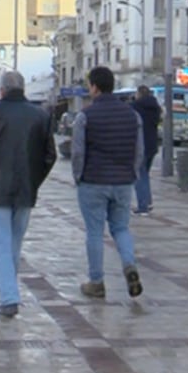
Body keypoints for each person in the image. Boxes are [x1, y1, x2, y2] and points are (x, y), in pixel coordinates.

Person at [0, 71, 56, 318]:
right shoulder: (40, 114)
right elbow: (50, 155)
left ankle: (8, 297)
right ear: (23, 88)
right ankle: (9, 290)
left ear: (2, 89)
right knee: (14, 242)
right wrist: (34, 179)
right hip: (26, 189)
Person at [72, 67, 144, 299]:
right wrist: (132, 173)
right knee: (121, 228)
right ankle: (129, 264)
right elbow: (139, 151)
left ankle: (96, 281)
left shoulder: (85, 116)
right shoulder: (133, 115)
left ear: (94, 87)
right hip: (123, 182)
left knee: (94, 232)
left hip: (93, 181)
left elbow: (78, 153)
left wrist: (78, 176)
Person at [130, 85, 162, 216]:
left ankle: (143, 206)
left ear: (139, 94)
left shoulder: (135, 106)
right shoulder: (156, 108)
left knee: (139, 175)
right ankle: (148, 202)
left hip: (140, 144)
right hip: (152, 145)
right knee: (144, 175)